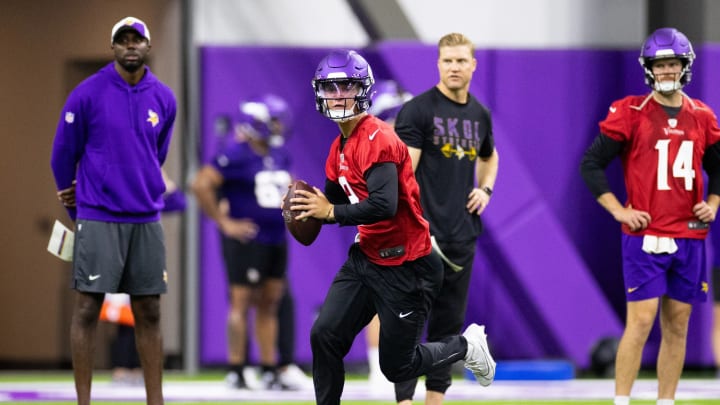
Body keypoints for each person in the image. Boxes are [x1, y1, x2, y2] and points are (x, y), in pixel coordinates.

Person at [288, 49, 495, 405]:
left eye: (347, 87)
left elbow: (383, 205)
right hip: (367, 256)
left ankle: (467, 346)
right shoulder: (338, 147)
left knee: (398, 367)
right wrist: (304, 209)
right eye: (331, 88)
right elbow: (330, 203)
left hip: (407, 264)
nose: (339, 96)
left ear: (363, 90)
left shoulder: (379, 138)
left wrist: (329, 212)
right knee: (325, 334)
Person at [580, 27, 720, 405]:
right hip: (646, 236)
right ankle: (622, 400)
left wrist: (714, 201)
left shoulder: (703, 116)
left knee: (678, 325)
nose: (667, 71)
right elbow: (592, 163)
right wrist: (618, 209)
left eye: (673, 63)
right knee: (641, 322)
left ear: (685, 66)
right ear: (649, 69)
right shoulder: (631, 111)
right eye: (660, 65)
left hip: (689, 235)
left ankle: (666, 401)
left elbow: (718, 166)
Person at [50, 16, 176, 405]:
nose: (130, 46)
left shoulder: (164, 97)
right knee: (89, 305)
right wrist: (72, 197)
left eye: (137, 39)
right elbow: (62, 153)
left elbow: (158, 153)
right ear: (113, 48)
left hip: (145, 216)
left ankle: (155, 401)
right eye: (123, 40)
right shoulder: (87, 93)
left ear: (148, 46)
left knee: (150, 309)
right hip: (99, 214)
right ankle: (84, 402)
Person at [391, 33, 499, 405]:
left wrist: (484, 190)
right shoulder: (418, 110)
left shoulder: (479, 114)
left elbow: (489, 155)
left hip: (461, 236)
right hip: (422, 239)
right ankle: (405, 402)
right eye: (447, 61)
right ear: (438, 64)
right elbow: (401, 179)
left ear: (473, 65)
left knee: (447, 326)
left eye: (461, 61)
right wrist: (413, 226)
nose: (454, 67)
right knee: (408, 324)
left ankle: (435, 401)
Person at [191, 97, 293, 390]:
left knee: (270, 303)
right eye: (273, 120)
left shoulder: (279, 153)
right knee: (241, 302)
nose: (278, 126)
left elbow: (287, 185)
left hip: (276, 237)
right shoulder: (235, 153)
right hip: (248, 239)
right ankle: (236, 367)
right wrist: (225, 223)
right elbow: (201, 183)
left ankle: (268, 367)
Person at [100, 170, 186, 386]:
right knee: (125, 315)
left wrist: (161, 173)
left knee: (145, 312)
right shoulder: (118, 185)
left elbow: (177, 202)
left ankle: (138, 368)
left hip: (144, 251)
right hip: (121, 252)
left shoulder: (147, 189)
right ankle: (122, 368)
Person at [364, 79, 413, 394]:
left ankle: (392, 368)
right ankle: (378, 371)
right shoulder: (373, 145)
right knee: (383, 299)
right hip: (382, 228)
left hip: (401, 226)